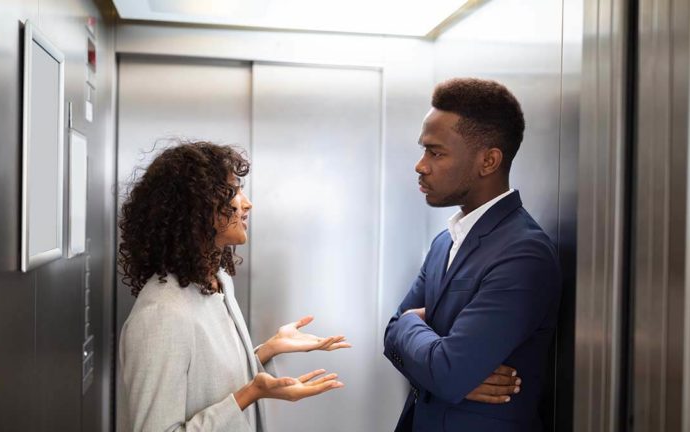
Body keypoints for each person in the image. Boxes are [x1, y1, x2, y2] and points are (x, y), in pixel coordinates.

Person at [117, 142, 350, 432]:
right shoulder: (161, 315)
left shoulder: (218, 282)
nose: (247, 203)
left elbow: (207, 382)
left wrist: (266, 351)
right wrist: (249, 394)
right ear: (196, 209)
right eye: (233, 192)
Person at [384, 78, 562, 431]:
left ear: (488, 161)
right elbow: (390, 336)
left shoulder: (524, 254)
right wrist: (437, 363)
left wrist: (410, 326)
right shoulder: (444, 243)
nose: (421, 165)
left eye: (436, 153)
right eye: (423, 150)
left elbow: (446, 371)